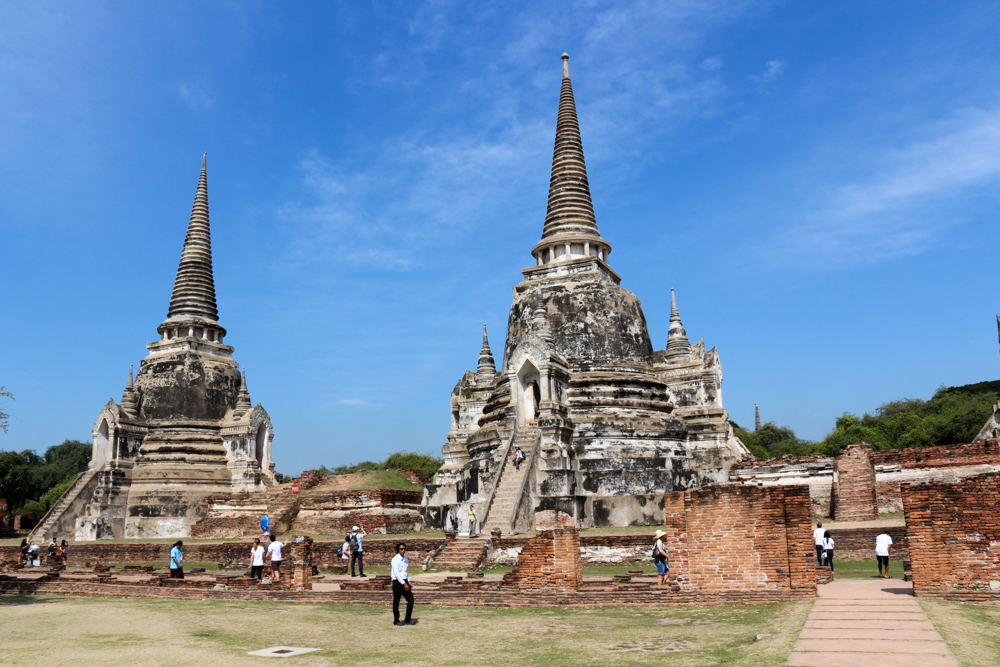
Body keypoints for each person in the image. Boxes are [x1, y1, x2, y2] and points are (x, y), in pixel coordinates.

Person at [390, 542, 417, 626]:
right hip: (397, 582)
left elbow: (405, 572)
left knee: (410, 600)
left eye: (404, 549)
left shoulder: (405, 559)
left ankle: (407, 619)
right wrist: (404, 583)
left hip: (404, 580)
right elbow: (397, 573)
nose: (403, 550)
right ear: (398, 550)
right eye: (401, 549)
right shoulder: (395, 559)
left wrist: (408, 581)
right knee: (396, 602)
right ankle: (396, 620)